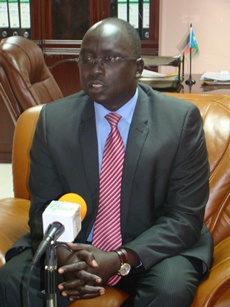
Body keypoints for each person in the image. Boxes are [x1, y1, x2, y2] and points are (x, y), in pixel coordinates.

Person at [0, 17, 213, 307]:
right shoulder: (53, 121)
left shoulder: (179, 122)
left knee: (170, 289)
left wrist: (120, 258)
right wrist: (68, 259)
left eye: (110, 59)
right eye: (87, 59)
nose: (95, 69)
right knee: (14, 280)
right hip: (76, 247)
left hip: (152, 247)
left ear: (138, 67)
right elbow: (43, 209)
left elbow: (184, 217)